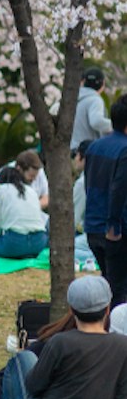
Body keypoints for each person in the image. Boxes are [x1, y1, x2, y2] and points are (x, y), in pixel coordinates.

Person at [83, 96, 127, 307]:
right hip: (116, 231)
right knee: (119, 290)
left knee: (109, 284)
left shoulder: (94, 147)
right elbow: (119, 190)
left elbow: (87, 186)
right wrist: (114, 227)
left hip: (93, 226)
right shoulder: (125, 149)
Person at [0, 165, 48, 259]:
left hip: (14, 243)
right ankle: (27, 253)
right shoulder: (31, 191)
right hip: (39, 242)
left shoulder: (0, 189)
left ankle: (18, 253)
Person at [72, 67, 112, 150]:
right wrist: (115, 125)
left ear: (83, 82)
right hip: (86, 151)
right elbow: (96, 122)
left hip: (68, 149)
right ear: (103, 84)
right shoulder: (95, 100)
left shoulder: (71, 99)